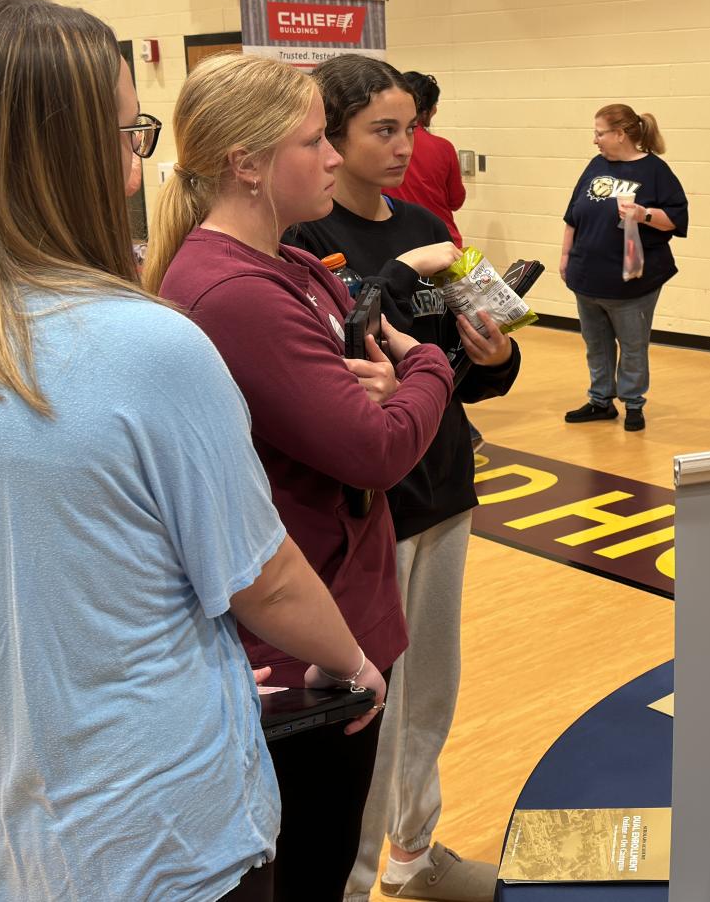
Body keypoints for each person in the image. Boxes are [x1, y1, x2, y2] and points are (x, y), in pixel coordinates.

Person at [0, 0, 386, 902]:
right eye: (128, 135)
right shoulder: (137, 345)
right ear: (69, 156)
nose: (136, 166)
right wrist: (351, 662)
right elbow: (261, 574)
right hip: (158, 843)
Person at [147, 52, 454, 902]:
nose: (331, 157)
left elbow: (377, 404)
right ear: (246, 163)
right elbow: (375, 446)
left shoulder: (298, 268)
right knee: (310, 868)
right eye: (316, 140)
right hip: (303, 652)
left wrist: (397, 391)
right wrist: (429, 366)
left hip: (342, 610)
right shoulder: (234, 291)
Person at [288, 56, 522, 902]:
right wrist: (397, 278)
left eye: (408, 128)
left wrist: (497, 356)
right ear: (333, 138)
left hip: (444, 487)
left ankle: (413, 855)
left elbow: (464, 360)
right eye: (381, 131)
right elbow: (336, 366)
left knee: (432, 693)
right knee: (371, 714)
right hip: (365, 506)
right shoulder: (302, 241)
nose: (402, 146)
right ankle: (348, 884)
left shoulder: (426, 219)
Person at [559, 104, 688, 432]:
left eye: (600, 133)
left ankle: (633, 404)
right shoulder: (595, 165)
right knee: (595, 343)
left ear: (621, 134)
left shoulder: (655, 171)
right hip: (588, 275)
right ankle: (600, 400)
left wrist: (643, 214)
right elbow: (573, 215)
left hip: (632, 281)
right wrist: (565, 257)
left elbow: (674, 219)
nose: (595, 140)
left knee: (632, 345)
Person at [385, 71, 467, 247]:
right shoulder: (442, 147)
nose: (405, 149)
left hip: (402, 242)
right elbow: (456, 200)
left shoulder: (383, 150)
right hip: (442, 242)